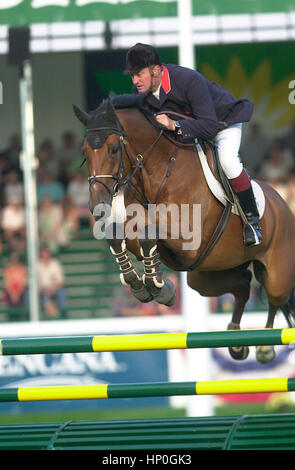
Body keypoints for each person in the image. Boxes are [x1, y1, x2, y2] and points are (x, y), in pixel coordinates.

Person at [124, 43, 262, 247]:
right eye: (132, 75)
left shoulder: (188, 80)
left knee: (228, 161)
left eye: (139, 74)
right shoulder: (143, 92)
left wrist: (175, 124)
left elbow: (209, 126)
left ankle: (252, 222)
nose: (135, 81)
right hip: (191, 131)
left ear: (155, 70)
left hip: (222, 123)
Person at [38, 246, 67, 317]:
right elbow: (35, 283)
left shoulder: (55, 264)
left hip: (55, 289)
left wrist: (52, 290)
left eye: (46, 254)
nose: (45, 256)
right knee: (45, 298)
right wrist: (43, 290)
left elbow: (60, 280)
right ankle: (50, 317)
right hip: (42, 291)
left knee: (62, 292)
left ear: (49, 254)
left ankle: (64, 315)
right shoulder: (37, 265)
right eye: (43, 254)